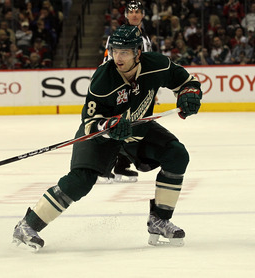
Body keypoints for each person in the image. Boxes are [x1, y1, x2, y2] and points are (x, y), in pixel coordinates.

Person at [12, 25, 202, 251]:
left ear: (137, 53)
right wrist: (109, 125)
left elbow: (186, 81)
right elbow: (89, 122)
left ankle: (159, 220)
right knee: (81, 180)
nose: (117, 57)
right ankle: (27, 225)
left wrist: (189, 95)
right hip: (102, 135)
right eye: (115, 51)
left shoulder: (157, 65)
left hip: (136, 129)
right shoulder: (103, 79)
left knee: (177, 154)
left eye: (124, 52)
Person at [101, 0, 152, 183]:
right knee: (116, 125)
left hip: (137, 90)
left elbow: (147, 66)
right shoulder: (116, 37)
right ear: (126, 15)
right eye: (131, 12)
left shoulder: (145, 39)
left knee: (130, 126)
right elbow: (108, 62)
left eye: (138, 11)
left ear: (143, 14)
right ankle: (104, 168)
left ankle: (121, 166)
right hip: (121, 89)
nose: (135, 15)